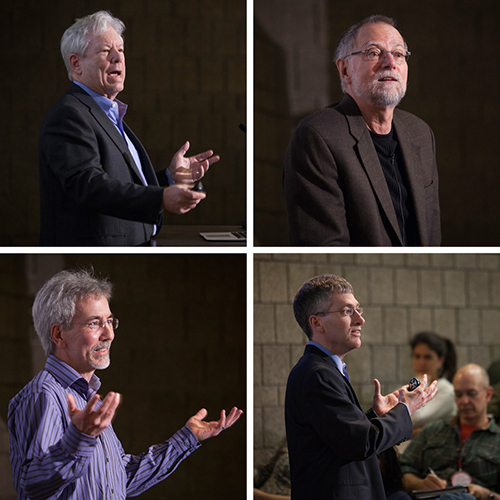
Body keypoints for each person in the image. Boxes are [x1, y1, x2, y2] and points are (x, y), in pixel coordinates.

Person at [8, 269, 242, 499]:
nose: (109, 333)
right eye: (94, 323)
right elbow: (33, 486)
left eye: (110, 321)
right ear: (59, 335)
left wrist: (186, 438)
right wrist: (79, 439)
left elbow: (118, 480)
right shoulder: (43, 395)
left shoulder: (86, 397)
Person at [39, 11, 220, 246]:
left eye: (121, 50)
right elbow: (89, 186)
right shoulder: (69, 114)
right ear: (76, 63)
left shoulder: (107, 113)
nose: (118, 58)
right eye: (105, 51)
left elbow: (122, 184)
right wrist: (160, 198)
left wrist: (169, 178)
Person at [283, 15, 441, 246]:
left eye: (398, 54)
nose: (390, 62)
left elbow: (432, 237)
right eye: (374, 53)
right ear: (345, 70)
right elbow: (324, 243)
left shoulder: (421, 134)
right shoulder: (319, 135)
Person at [285, 274, 438, 500]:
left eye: (358, 310)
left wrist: (376, 415)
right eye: (347, 311)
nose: (360, 320)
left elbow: (340, 437)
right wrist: (406, 409)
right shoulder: (317, 374)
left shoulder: (322, 369)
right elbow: (361, 444)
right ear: (317, 323)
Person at [400, 364, 500, 499]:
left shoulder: (497, 440)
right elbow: (403, 469)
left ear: (488, 394)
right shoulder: (432, 431)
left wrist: (489, 495)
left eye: (471, 394)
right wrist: (420, 483)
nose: (464, 401)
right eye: (458, 395)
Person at [407, 332, 458, 437]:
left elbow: (415, 419)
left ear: (440, 361)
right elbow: (390, 420)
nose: (421, 362)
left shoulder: (447, 390)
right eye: (417, 357)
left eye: (427, 357)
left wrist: (420, 380)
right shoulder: (409, 387)